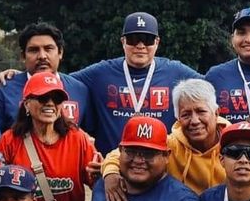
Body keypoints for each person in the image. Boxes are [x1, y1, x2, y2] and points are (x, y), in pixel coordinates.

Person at [68, 13, 201, 154]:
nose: (140, 46)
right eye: (133, 39)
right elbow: (62, 82)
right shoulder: (101, 73)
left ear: (157, 42)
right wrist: (79, 133)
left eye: (147, 40)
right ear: (123, 41)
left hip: (161, 163)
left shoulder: (175, 72)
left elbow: (211, 86)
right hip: (112, 163)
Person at [0, 72, 98, 201]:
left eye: (57, 99)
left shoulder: (78, 139)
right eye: (43, 98)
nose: (50, 103)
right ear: (27, 104)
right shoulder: (10, 140)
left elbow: (99, 185)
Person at [99, 78, 239, 201]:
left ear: (216, 113)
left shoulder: (236, 145)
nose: (195, 121)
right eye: (186, 114)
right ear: (178, 118)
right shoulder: (170, 144)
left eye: (201, 111)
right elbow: (117, 155)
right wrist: (111, 174)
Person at [0, 22, 93, 132]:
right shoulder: (3, 91)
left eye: (48, 48)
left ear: (60, 52)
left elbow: (89, 135)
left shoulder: (79, 90)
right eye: (34, 50)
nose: (42, 56)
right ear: (23, 56)